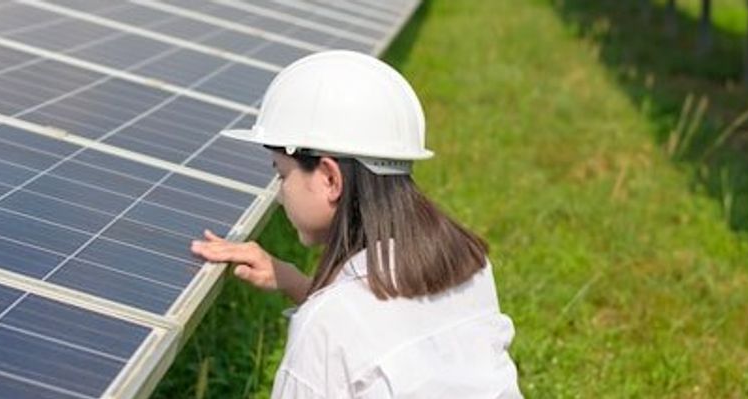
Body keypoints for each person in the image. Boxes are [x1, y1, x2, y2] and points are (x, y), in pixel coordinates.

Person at [191, 50, 521, 398]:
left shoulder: (325, 327)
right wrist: (291, 279)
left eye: (281, 173)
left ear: (331, 179)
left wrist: (317, 310)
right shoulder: (469, 265)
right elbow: (386, 331)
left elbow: (346, 332)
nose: (279, 194)